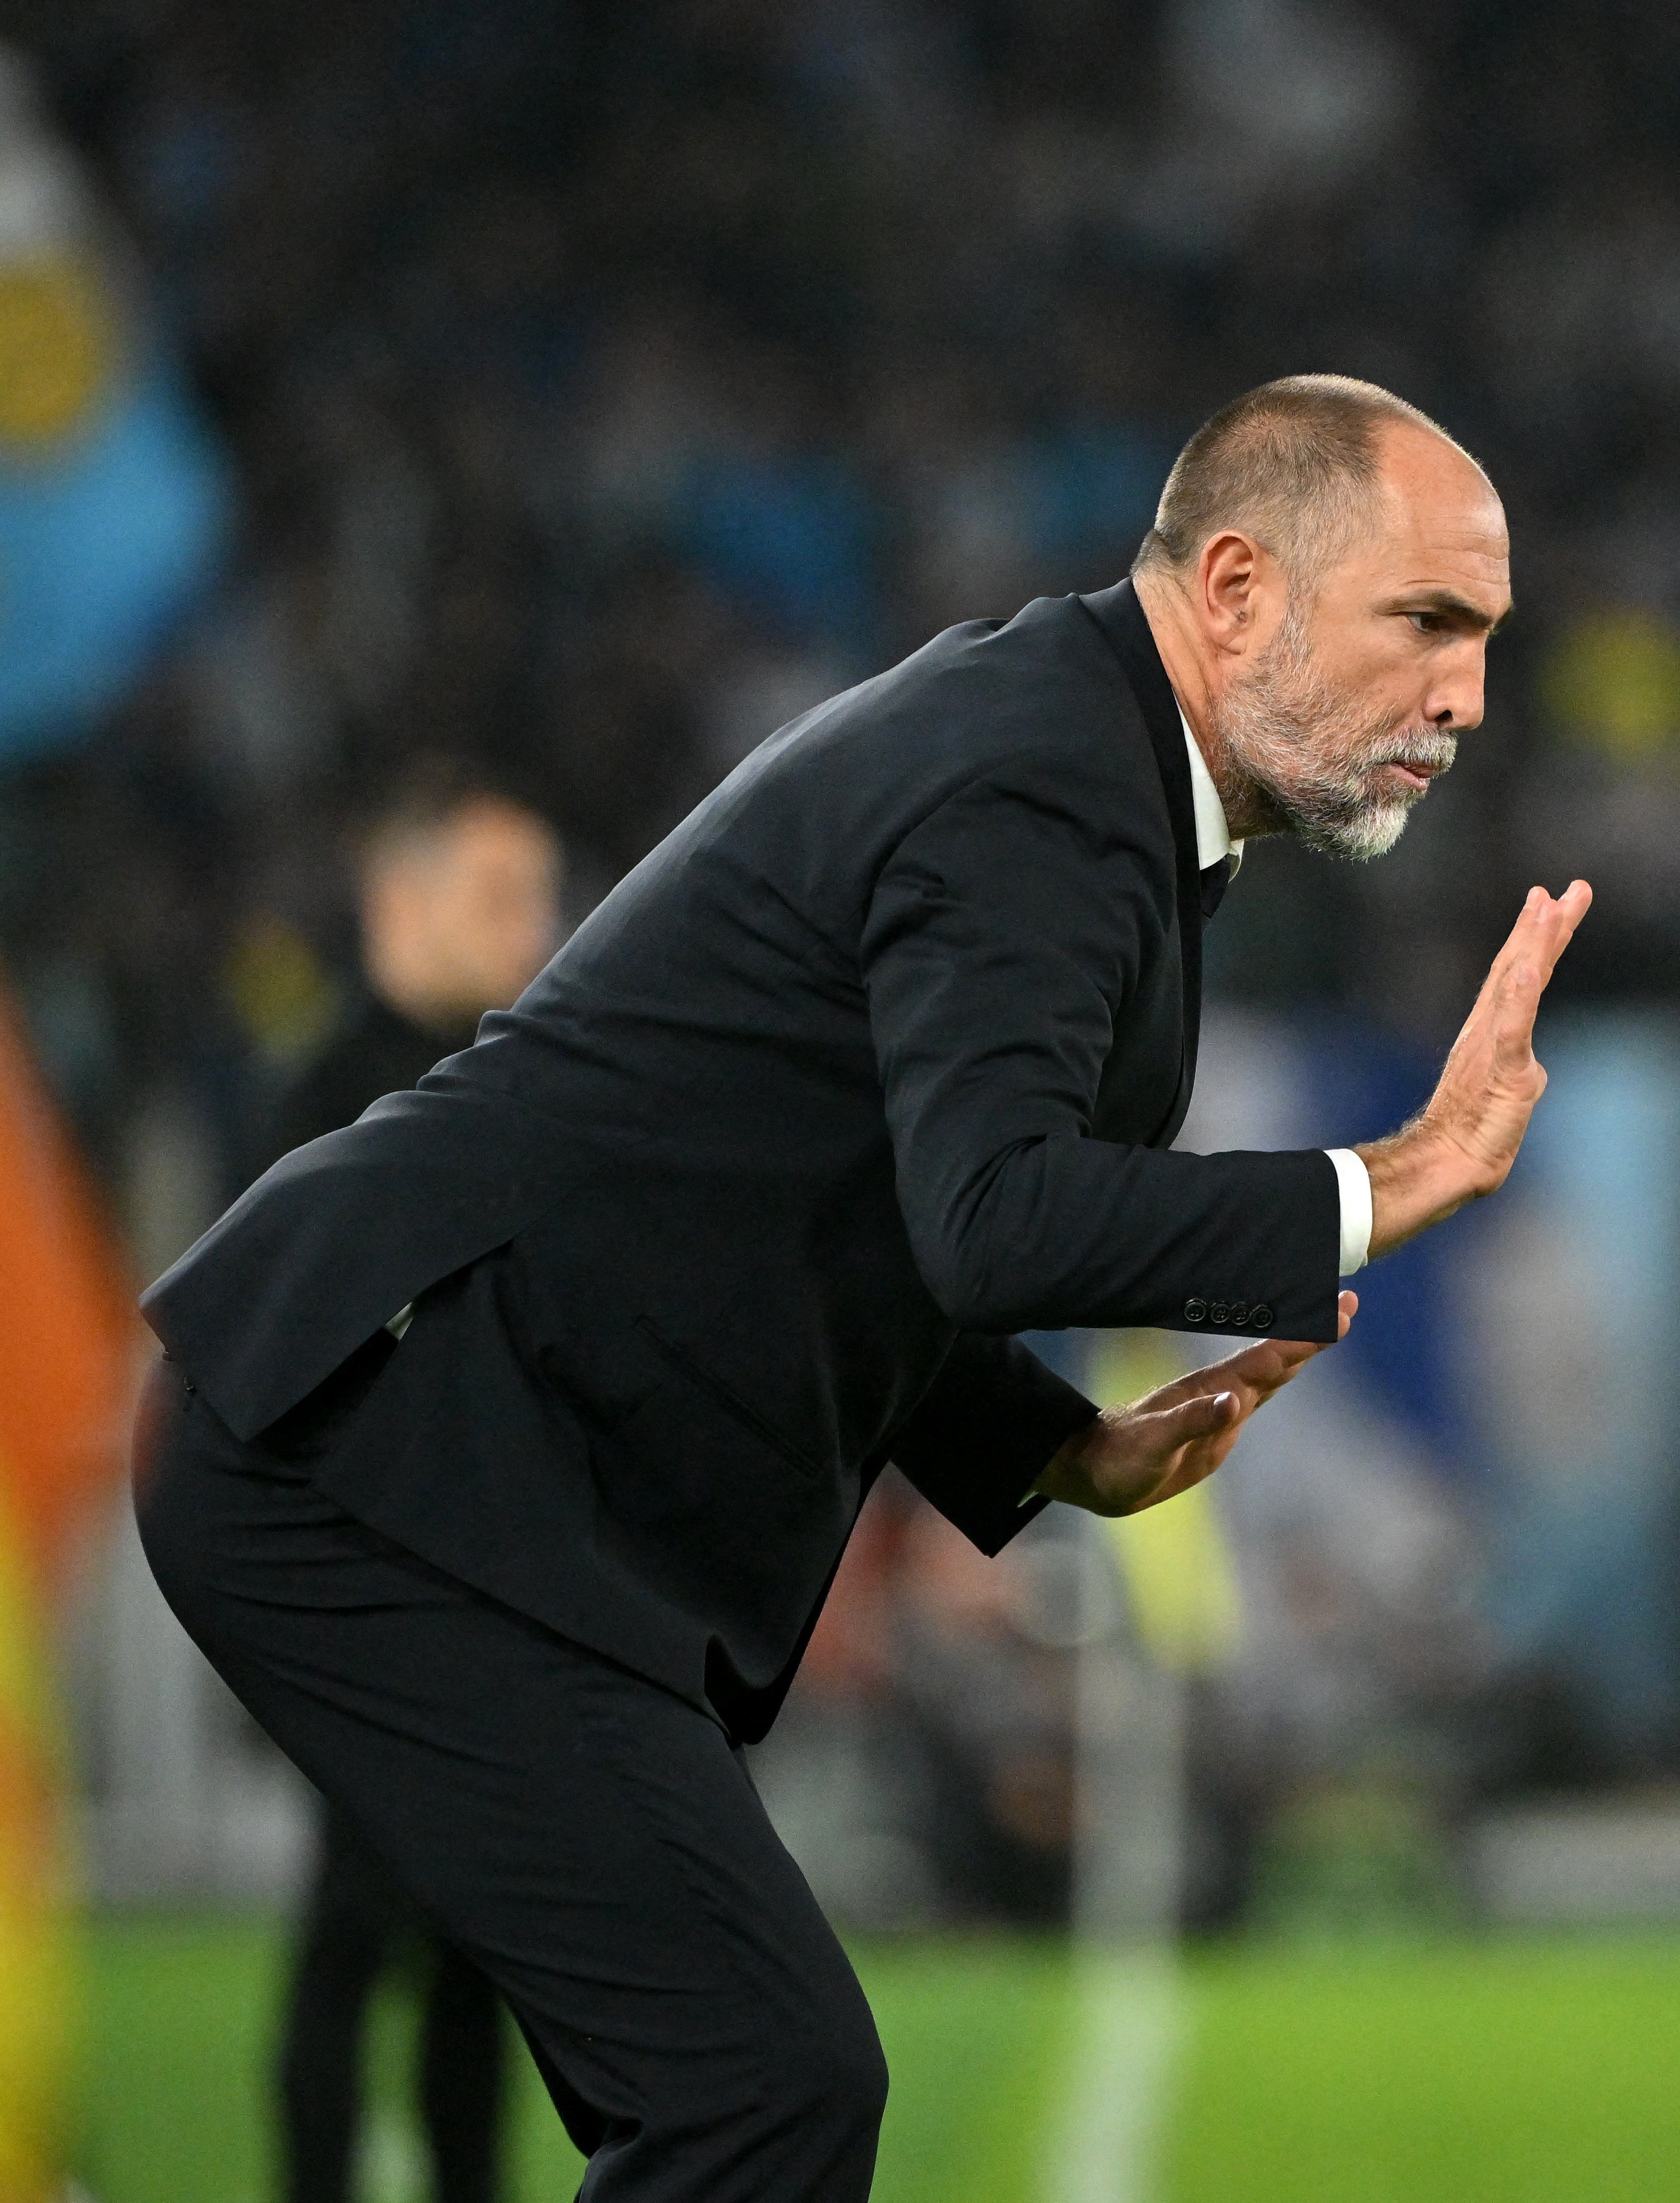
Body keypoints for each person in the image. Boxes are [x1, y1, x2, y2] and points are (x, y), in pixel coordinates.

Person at [137, 374, 1591, 2201]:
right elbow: (993, 1214)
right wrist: (1395, 1179)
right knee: (760, 2085)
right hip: (381, 1444)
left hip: (435, 1449)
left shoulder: (1088, 761)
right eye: (1430, 620)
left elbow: (845, 1191)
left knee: (746, 2083)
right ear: (1236, 586)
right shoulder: (1047, 776)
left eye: (1485, 636)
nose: (1466, 695)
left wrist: (1056, 1451)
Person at [263, 765, 560, 2203]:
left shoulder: (502, 1090)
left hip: (483, 1598)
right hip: (365, 1603)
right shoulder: (327, 1104)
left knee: (468, 1959)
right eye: (502, 895)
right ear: (401, 900)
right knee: (357, 1939)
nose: (537, 928)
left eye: (543, 897)